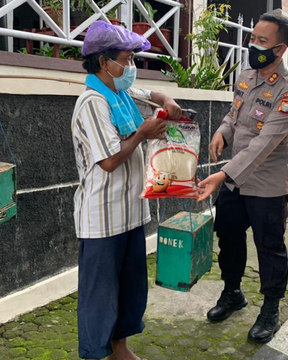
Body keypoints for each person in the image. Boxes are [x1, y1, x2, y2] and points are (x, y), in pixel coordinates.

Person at [72, 21, 182, 360]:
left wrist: (168, 99)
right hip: (102, 218)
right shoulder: (93, 102)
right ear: (105, 63)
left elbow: (155, 95)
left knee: (131, 289)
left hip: (132, 212)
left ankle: (120, 348)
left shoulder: (122, 94)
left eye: (134, 59)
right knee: (100, 294)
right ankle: (95, 353)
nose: (131, 67)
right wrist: (143, 134)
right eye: (127, 59)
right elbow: (108, 161)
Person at [197, 13, 288, 344]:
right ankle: (232, 293)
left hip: (267, 185)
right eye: (252, 38)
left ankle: (270, 310)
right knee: (227, 235)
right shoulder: (246, 76)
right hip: (236, 181)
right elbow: (235, 114)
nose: (253, 45)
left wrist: (222, 174)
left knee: (269, 246)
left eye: (262, 41)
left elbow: (263, 143)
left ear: (280, 49)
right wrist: (222, 132)